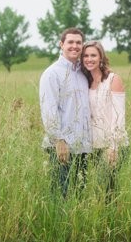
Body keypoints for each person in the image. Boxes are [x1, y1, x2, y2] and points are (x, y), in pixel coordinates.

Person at [39, 27, 92, 198]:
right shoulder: (52, 73)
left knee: (79, 197)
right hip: (62, 146)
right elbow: (49, 110)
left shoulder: (83, 73)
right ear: (61, 44)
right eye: (70, 42)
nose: (74, 46)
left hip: (82, 146)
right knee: (61, 196)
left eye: (78, 43)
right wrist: (58, 140)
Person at [80, 40, 127, 198]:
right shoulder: (85, 82)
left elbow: (119, 116)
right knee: (95, 191)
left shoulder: (113, 80)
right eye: (85, 56)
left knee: (109, 192)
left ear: (101, 57)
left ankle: (113, 221)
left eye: (93, 55)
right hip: (92, 145)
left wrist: (113, 147)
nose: (89, 59)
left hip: (110, 145)